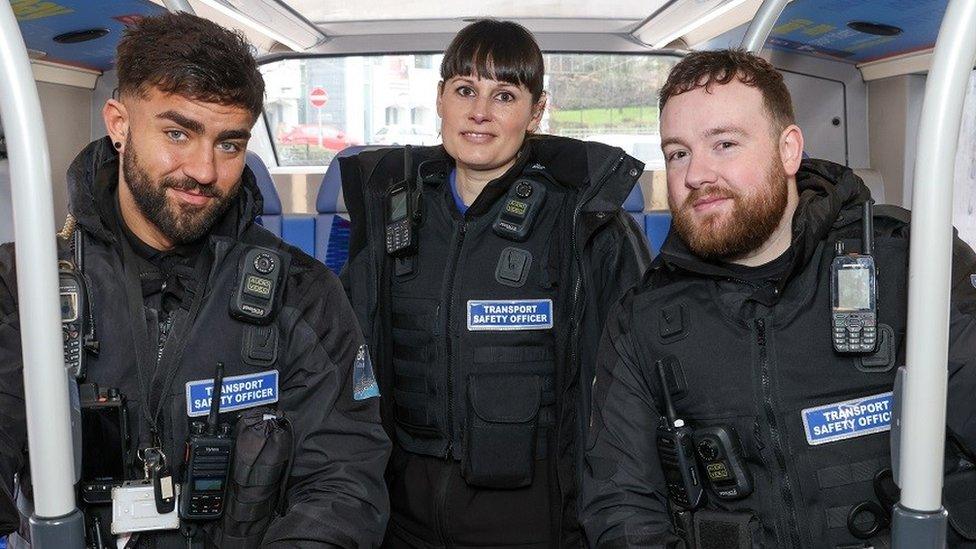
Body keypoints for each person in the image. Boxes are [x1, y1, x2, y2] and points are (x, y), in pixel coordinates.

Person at [0, 12, 390, 547]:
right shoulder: (22, 287)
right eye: (178, 133)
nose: (205, 170)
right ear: (119, 124)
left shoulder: (303, 294)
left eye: (229, 145)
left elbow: (344, 482)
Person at [580, 49, 976, 548]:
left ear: (788, 150)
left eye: (724, 143)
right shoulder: (643, 319)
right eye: (678, 153)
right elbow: (621, 509)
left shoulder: (909, 262)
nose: (696, 174)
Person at [340, 19, 651, 548]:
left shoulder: (585, 223)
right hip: (403, 517)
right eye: (465, 90)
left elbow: (630, 387)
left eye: (503, 95)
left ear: (536, 110)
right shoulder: (390, 213)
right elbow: (352, 361)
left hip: (534, 518)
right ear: (440, 99)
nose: (479, 112)